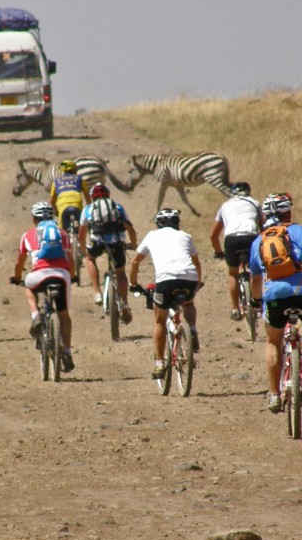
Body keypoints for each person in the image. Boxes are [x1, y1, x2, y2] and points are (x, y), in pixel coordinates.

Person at [249, 193, 302, 414]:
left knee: (273, 341)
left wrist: (256, 300)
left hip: (275, 298)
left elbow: (255, 279)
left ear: (266, 215)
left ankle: (275, 395)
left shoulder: (259, 241)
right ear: (289, 212)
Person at [129, 208, 203, 379]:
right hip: (189, 278)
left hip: (165, 281)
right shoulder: (186, 236)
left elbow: (135, 261)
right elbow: (196, 262)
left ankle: (160, 364)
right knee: (188, 303)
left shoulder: (152, 236)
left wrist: (133, 284)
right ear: (177, 223)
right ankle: (192, 329)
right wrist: (198, 283)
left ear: (158, 223)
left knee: (160, 320)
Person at [10, 201, 76, 372]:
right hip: (62, 275)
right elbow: (72, 260)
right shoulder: (62, 234)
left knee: (28, 286)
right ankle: (67, 351)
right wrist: (73, 275)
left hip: (39, 275)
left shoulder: (28, 235)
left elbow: (19, 262)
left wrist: (17, 277)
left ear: (34, 219)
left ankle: (35, 316)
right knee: (64, 314)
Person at [78, 182, 138, 321]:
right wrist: (133, 244)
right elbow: (131, 229)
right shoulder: (117, 207)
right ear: (108, 195)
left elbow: (81, 235)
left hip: (98, 244)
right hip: (117, 244)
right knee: (121, 272)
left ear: (92, 197)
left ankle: (96, 292)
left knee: (89, 258)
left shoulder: (88, 209)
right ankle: (124, 303)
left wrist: (83, 249)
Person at [209, 181, 262, 320]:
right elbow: (264, 227)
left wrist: (218, 252)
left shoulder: (225, 205)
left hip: (231, 239)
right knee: (257, 271)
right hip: (251, 238)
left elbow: (213, 235)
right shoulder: (255, 203)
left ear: (232, 194)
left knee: (233, 273)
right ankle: (258, 302)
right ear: (248, 192)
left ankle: (235, 309)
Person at [48, 159, 90, 232]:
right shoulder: (80, 179)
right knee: (81, 229)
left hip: (62, 206)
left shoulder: (56, 181)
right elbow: (87, 197)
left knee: (62, 232)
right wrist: (90, 209)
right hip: (77, 204)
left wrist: (55, 212)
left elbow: (51, 201)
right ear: (74, 169)